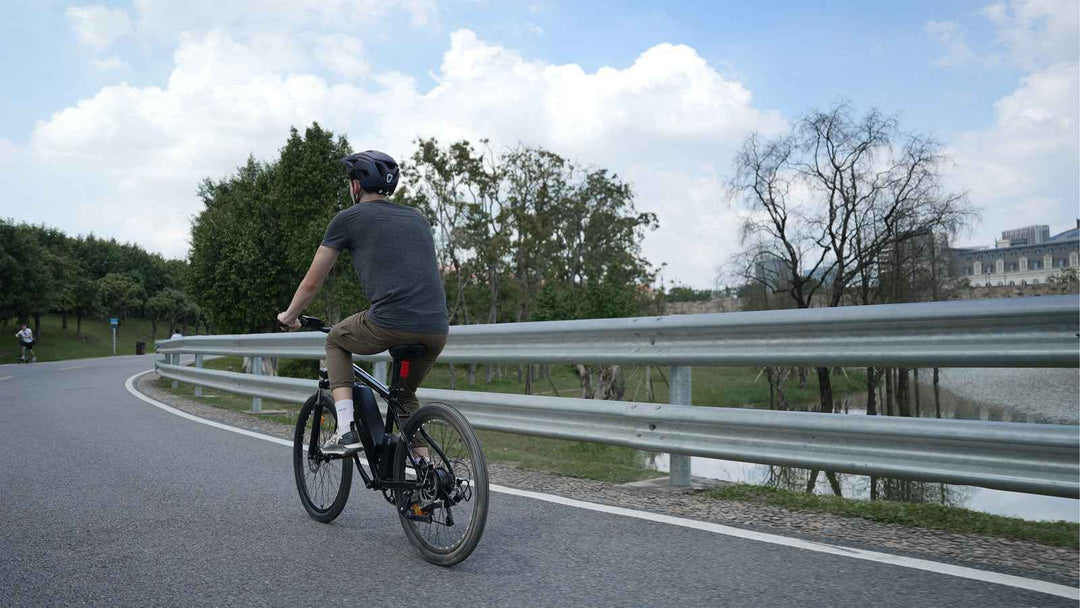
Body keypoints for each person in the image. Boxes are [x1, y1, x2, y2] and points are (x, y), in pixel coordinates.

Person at [277, 150, 449, 456]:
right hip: (436, 328)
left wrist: (290, 315)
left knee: (336, 341)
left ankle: (346, 431)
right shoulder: (417, 218)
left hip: (390, 323)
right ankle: (429, 477)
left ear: (357, 184)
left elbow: (312, 281)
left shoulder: (348, 219)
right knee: (404, 398)